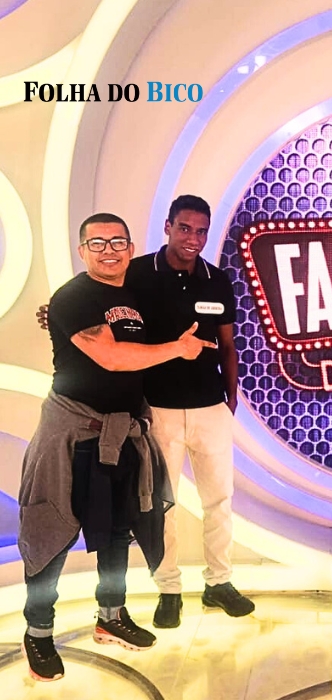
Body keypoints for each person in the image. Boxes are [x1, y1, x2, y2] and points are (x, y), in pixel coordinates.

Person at [39, 195, 254, 627]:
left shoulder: (216, 279)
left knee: (219, 499)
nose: (193, 238)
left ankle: (219, 583)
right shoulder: (136, 272)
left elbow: (228, 345)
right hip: (156, 408)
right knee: (159, 505)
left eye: (201, 231)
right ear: (168, 227)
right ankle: (168, 588)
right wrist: (55, 313)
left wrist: (230, 399)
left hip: (210, 406)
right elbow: (93, 299)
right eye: (184, 228)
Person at [19, 213, 214, 682]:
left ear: (130, 248)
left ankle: (111, 616)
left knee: (116, 532)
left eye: (117, 241)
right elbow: (110, 356)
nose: (109, 250)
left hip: (123, 432)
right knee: (53, 533)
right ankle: (38, 632)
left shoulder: (133, 293)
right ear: (82, 250)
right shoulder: (74, 297)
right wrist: (177, 350)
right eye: (98, 242)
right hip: (73, 432)